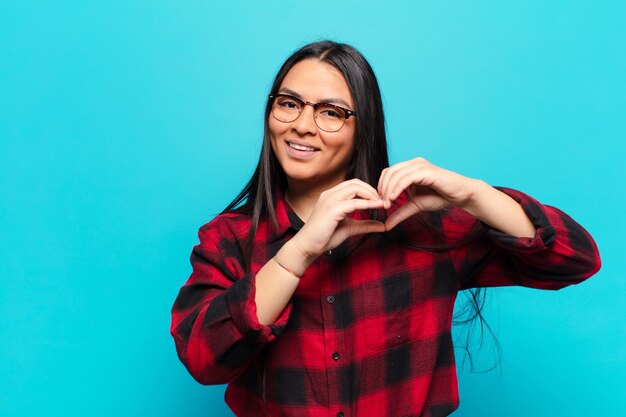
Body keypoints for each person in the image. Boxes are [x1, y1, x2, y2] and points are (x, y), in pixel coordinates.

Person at [170, 41, 601, 417]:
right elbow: (203, 359)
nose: (302, 124)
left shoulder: (420, 225)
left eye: (332, 112)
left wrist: (473, 194)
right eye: (289, 103)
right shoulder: (228, 238)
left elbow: (574, 259)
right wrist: (296, 254)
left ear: (363, 130)